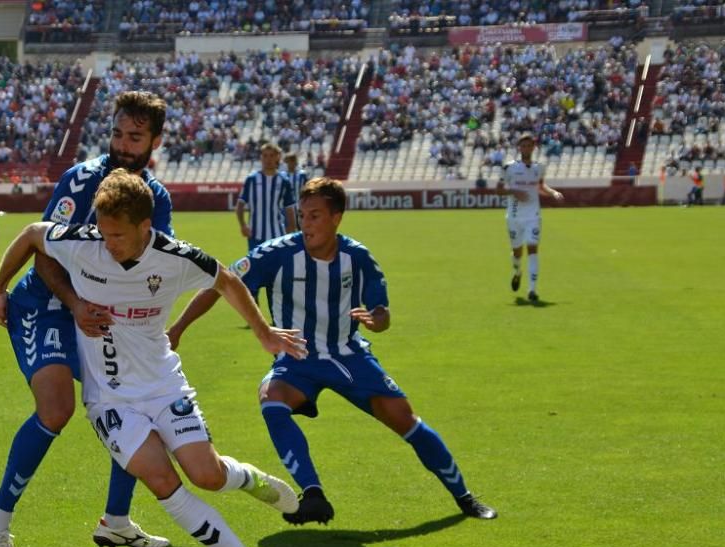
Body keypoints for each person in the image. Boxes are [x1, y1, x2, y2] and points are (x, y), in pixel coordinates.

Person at [0, 169, 307, 547]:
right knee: (161, 481)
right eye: (103, 232)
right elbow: (32, 234)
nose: (108, 243)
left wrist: (263, 331)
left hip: (164, 385)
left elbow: (226, 279)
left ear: (146, 227)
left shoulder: (174, 257)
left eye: (118, 235)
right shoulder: (86, 243)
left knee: (207, 475)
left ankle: (249, 480)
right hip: (110, 400)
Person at [167, 177, 497, 526]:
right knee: (272, 398)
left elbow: (381, 311)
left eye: (315, 216)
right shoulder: (276, 253)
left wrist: (377, 319)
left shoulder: (357, 256)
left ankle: (465, 497)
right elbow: (220, 284)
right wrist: (177, 329)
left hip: (348, 355)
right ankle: (313, 494)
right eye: (303, 215)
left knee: (405, 419)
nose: (306, 224)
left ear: (336, 217)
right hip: (296, 359)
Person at [0, 91, 176, 547]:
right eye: (117, 134)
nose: (123, 145)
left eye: (135, 137)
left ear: (154, 140)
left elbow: (150, 265)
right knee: (56, 409)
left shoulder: (157, 200)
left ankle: (116, 521)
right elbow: (44, 252)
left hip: (101, 312)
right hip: (48, 302)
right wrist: (70, 303)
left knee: (133, 405)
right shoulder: (82, 178)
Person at [496, 133, 563, 303]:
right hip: (514, 216)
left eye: (529, 145)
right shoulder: (508, 167)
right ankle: (518, 272)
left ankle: (532, 290)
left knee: (533, 250)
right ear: (519, 148)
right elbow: (499, 189)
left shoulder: (539, 167)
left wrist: (553, 192)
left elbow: (540, 185)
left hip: (533, 216)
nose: (526, 148)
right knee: (517, 253)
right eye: (523, 146)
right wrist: (514, 192)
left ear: (534, 147)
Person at [237, 143, 297, 251]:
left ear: (277, 157)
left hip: (278, 234)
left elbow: (289, 209)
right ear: (261, 158)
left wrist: (291, 229)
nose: (268, 159)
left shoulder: (284, 181)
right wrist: (243, 225)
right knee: (256, 267)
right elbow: (240, 204)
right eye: (265, 155)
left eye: (271, 155)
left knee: (278, 267)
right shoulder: (251, 179)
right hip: (255, 235)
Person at [283, 152, 310, 225]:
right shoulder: (282, 176)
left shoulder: (302, 175)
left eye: (293, 161)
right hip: (286, 208)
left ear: (296, 162)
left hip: (300, 206)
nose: (291, 163)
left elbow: (307, 190)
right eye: (289, 161)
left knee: (302, 228)